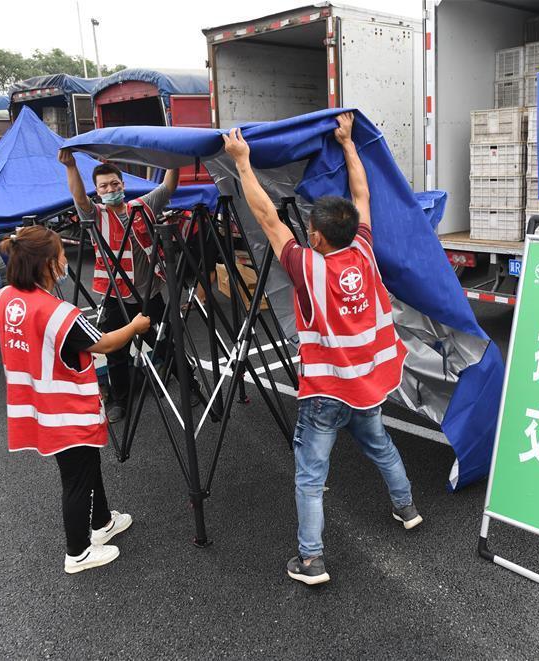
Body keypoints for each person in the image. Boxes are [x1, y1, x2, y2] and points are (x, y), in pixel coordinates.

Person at [222, 112, 422, 586]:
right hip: (368, 385)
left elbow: (267, 217)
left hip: (326, 390)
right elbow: (362, 195)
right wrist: (349, 143)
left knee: (311, 475)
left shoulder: (307, 268)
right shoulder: (365, 250)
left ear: (315, 236)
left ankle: (311, 560)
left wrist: (243, 165)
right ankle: (407, 508)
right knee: (381, 446)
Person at [0, 225, 151, 573]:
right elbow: (106, 343)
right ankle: (77, 552)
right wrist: (137, 325)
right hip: (65, 409)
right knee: (77, 478)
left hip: (34, 405)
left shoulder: (2, 299)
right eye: (62, 255)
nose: (66, 260)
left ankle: (102, 522)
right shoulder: (59, 313)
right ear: (48, 264)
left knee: (87, 467)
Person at [58, 150, 202, 423]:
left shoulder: (143, 205)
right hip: (116, 296)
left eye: (114, 184)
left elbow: (168, 186)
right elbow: (78, 197)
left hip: (150, 294)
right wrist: (71, 166)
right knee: (115, 351)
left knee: (167, 346)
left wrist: (172, 161)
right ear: (97, 191)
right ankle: (119, 400)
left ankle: (190, 386)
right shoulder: (96, 214)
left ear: (123, 185)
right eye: (104, 186)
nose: (110, 189)